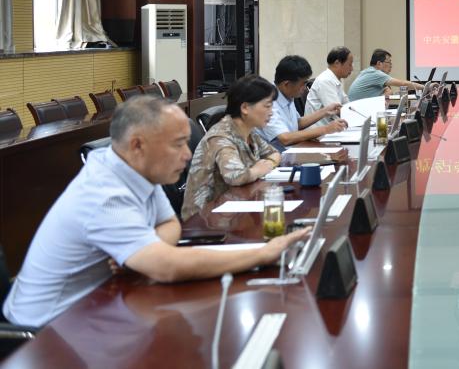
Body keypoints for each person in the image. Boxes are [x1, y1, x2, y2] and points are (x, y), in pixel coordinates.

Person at [2, 96, 309, 327]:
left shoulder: (134, 169)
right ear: (138, 145)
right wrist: (263, 253)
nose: (188, 155)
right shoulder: (104, 193)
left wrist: (144, 251)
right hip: (50, 331)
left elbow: (170, 224)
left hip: (100, 304)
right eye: (178, 144)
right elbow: (167, 268)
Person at [181, 75, 282, 221]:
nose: (271, 112)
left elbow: (274, 153)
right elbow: (236, 176)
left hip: (235, 208)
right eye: (267, 106)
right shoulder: (220, 136)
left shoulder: (248, 131)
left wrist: (268, 164)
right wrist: (258, 170)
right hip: (205, 218)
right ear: (245, 108)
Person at [255, 55, 347, 151]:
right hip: (276, 156)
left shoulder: (287, 93)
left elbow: (297, 123)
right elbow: (285, 138)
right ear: (287, 84)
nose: (305, 88)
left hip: (292, 151)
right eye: (303, 83)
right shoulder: (268, 101)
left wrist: (325, 111)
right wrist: (326, 129)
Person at [347, 48, 423, 101]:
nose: (391, 65)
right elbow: (402, 84)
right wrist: (424, 87)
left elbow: (389, 92)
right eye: (389, 62)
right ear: (379, 63)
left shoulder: (368, 72)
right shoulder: (375, 73)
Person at [306, 46, 354, 127]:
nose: (352, 69)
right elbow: (337, 111)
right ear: (337, 63)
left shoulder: (334, 80)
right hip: (318, 131)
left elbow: (347, 105)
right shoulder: (325, 80)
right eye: (350, 64)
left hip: (329, 128)